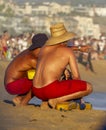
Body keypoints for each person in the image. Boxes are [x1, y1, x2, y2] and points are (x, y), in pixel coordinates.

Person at [32, 23, 93, 108]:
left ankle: (45, 102)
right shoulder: (68, 52)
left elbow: (58, 49)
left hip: (36, 90)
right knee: (88, 87)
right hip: (50, 89)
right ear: (65, 39)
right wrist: (79, 96)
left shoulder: (43, 49)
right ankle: (56, 100)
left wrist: (79, 48)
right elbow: (76, 77)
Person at [4, 33, 48, 106]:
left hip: (11, 83)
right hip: (12, 85)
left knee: (36, 78)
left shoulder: (29, 52)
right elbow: (46, 70)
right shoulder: (31, 59)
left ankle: (19, 98)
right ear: (40, 47)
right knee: (40, 81)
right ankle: (24, 102)